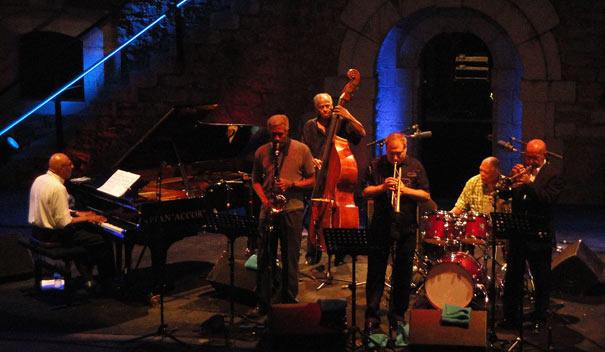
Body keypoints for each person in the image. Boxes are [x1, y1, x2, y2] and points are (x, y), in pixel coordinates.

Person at [361, 132, 431, 332]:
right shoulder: (375, 165)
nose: (395, 158)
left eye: (398, 154)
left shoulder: (416, 166)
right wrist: (383, 187)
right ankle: (372, 315)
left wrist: (405, 190)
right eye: (391, 154)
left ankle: (398, 314)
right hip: (381, 225)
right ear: (386, 149)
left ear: (405, 149)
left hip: (406, 226)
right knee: (376, 271)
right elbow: (364, 192)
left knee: (403, 273)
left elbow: (426, 195)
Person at [249, 114, 315, 316]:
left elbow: (312, 180)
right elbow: (256, 181)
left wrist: (291, 184)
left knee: (290, 257)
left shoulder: (302, 150)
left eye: (280, 135)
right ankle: (263, 301)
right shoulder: (262, 152)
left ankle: (289, 301)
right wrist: (265, 201)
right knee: (264, 257)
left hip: (292, 209)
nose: (277, 139)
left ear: (287, 131)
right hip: (269, 210)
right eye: (273, 135)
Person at [499, 139, 564, 332]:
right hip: (519, 234)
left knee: (541, 279)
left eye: (535, 157)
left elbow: (547, 200)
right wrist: (508, 182)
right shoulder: (522, 172)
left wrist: (529, 184)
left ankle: (540, 318)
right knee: (513, 279)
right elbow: (504, 195)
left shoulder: (554, 175)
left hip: (539, 236)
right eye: (528, 156)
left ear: (544, 155)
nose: (530, 160)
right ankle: (511, 317)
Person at [28, 153, 115, 292]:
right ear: (61, 169)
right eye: (69, 164)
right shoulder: (58, 188)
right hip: (54, 235)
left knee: (87, 233)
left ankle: (88, 278)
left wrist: (78, 213)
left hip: (37, 232)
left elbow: (53, 209)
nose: (72, 166)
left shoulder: (41, 180)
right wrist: (88, 218)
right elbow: (64, 223)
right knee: (101, 238)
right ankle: (108, 282)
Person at [301, 92, 366, 265]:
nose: (325, 109)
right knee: (312, 215)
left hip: (336, 177)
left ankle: (339, 253)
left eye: (328, 105)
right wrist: (311, 159)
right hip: (317, 177)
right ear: (316, 108)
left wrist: (349, 116)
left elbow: (362, 133)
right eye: (321, 107)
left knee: (337, 217)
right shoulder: (309, 126)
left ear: (332, 105)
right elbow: (304, 148)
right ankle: (313, 252)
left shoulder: (341, 122)